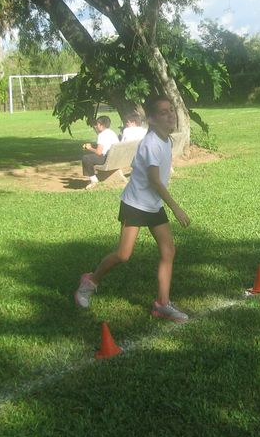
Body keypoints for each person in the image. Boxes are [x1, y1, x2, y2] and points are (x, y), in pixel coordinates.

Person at [74, 95, 191, 323]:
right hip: (136, 204)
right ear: (152, 119)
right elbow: (155, 181)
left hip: (153, 204)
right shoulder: (151, 144)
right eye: (163, 112)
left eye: (171, 110)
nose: (170, 115)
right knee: (123, 254)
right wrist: (176, 208)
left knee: (168, 251)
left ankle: (162, 304)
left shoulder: (166, 140)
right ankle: (90, 281)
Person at [80, 115, 121, 188]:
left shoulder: (101, 135)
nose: (96, 126)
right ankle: (92, 176)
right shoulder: (112, 132)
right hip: (114, 158)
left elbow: (99, 152)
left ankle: (93, 179)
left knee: (86, 158)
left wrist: (89, 148)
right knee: (90, 156)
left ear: (101, 125)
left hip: (106, 159)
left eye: (97, 124)